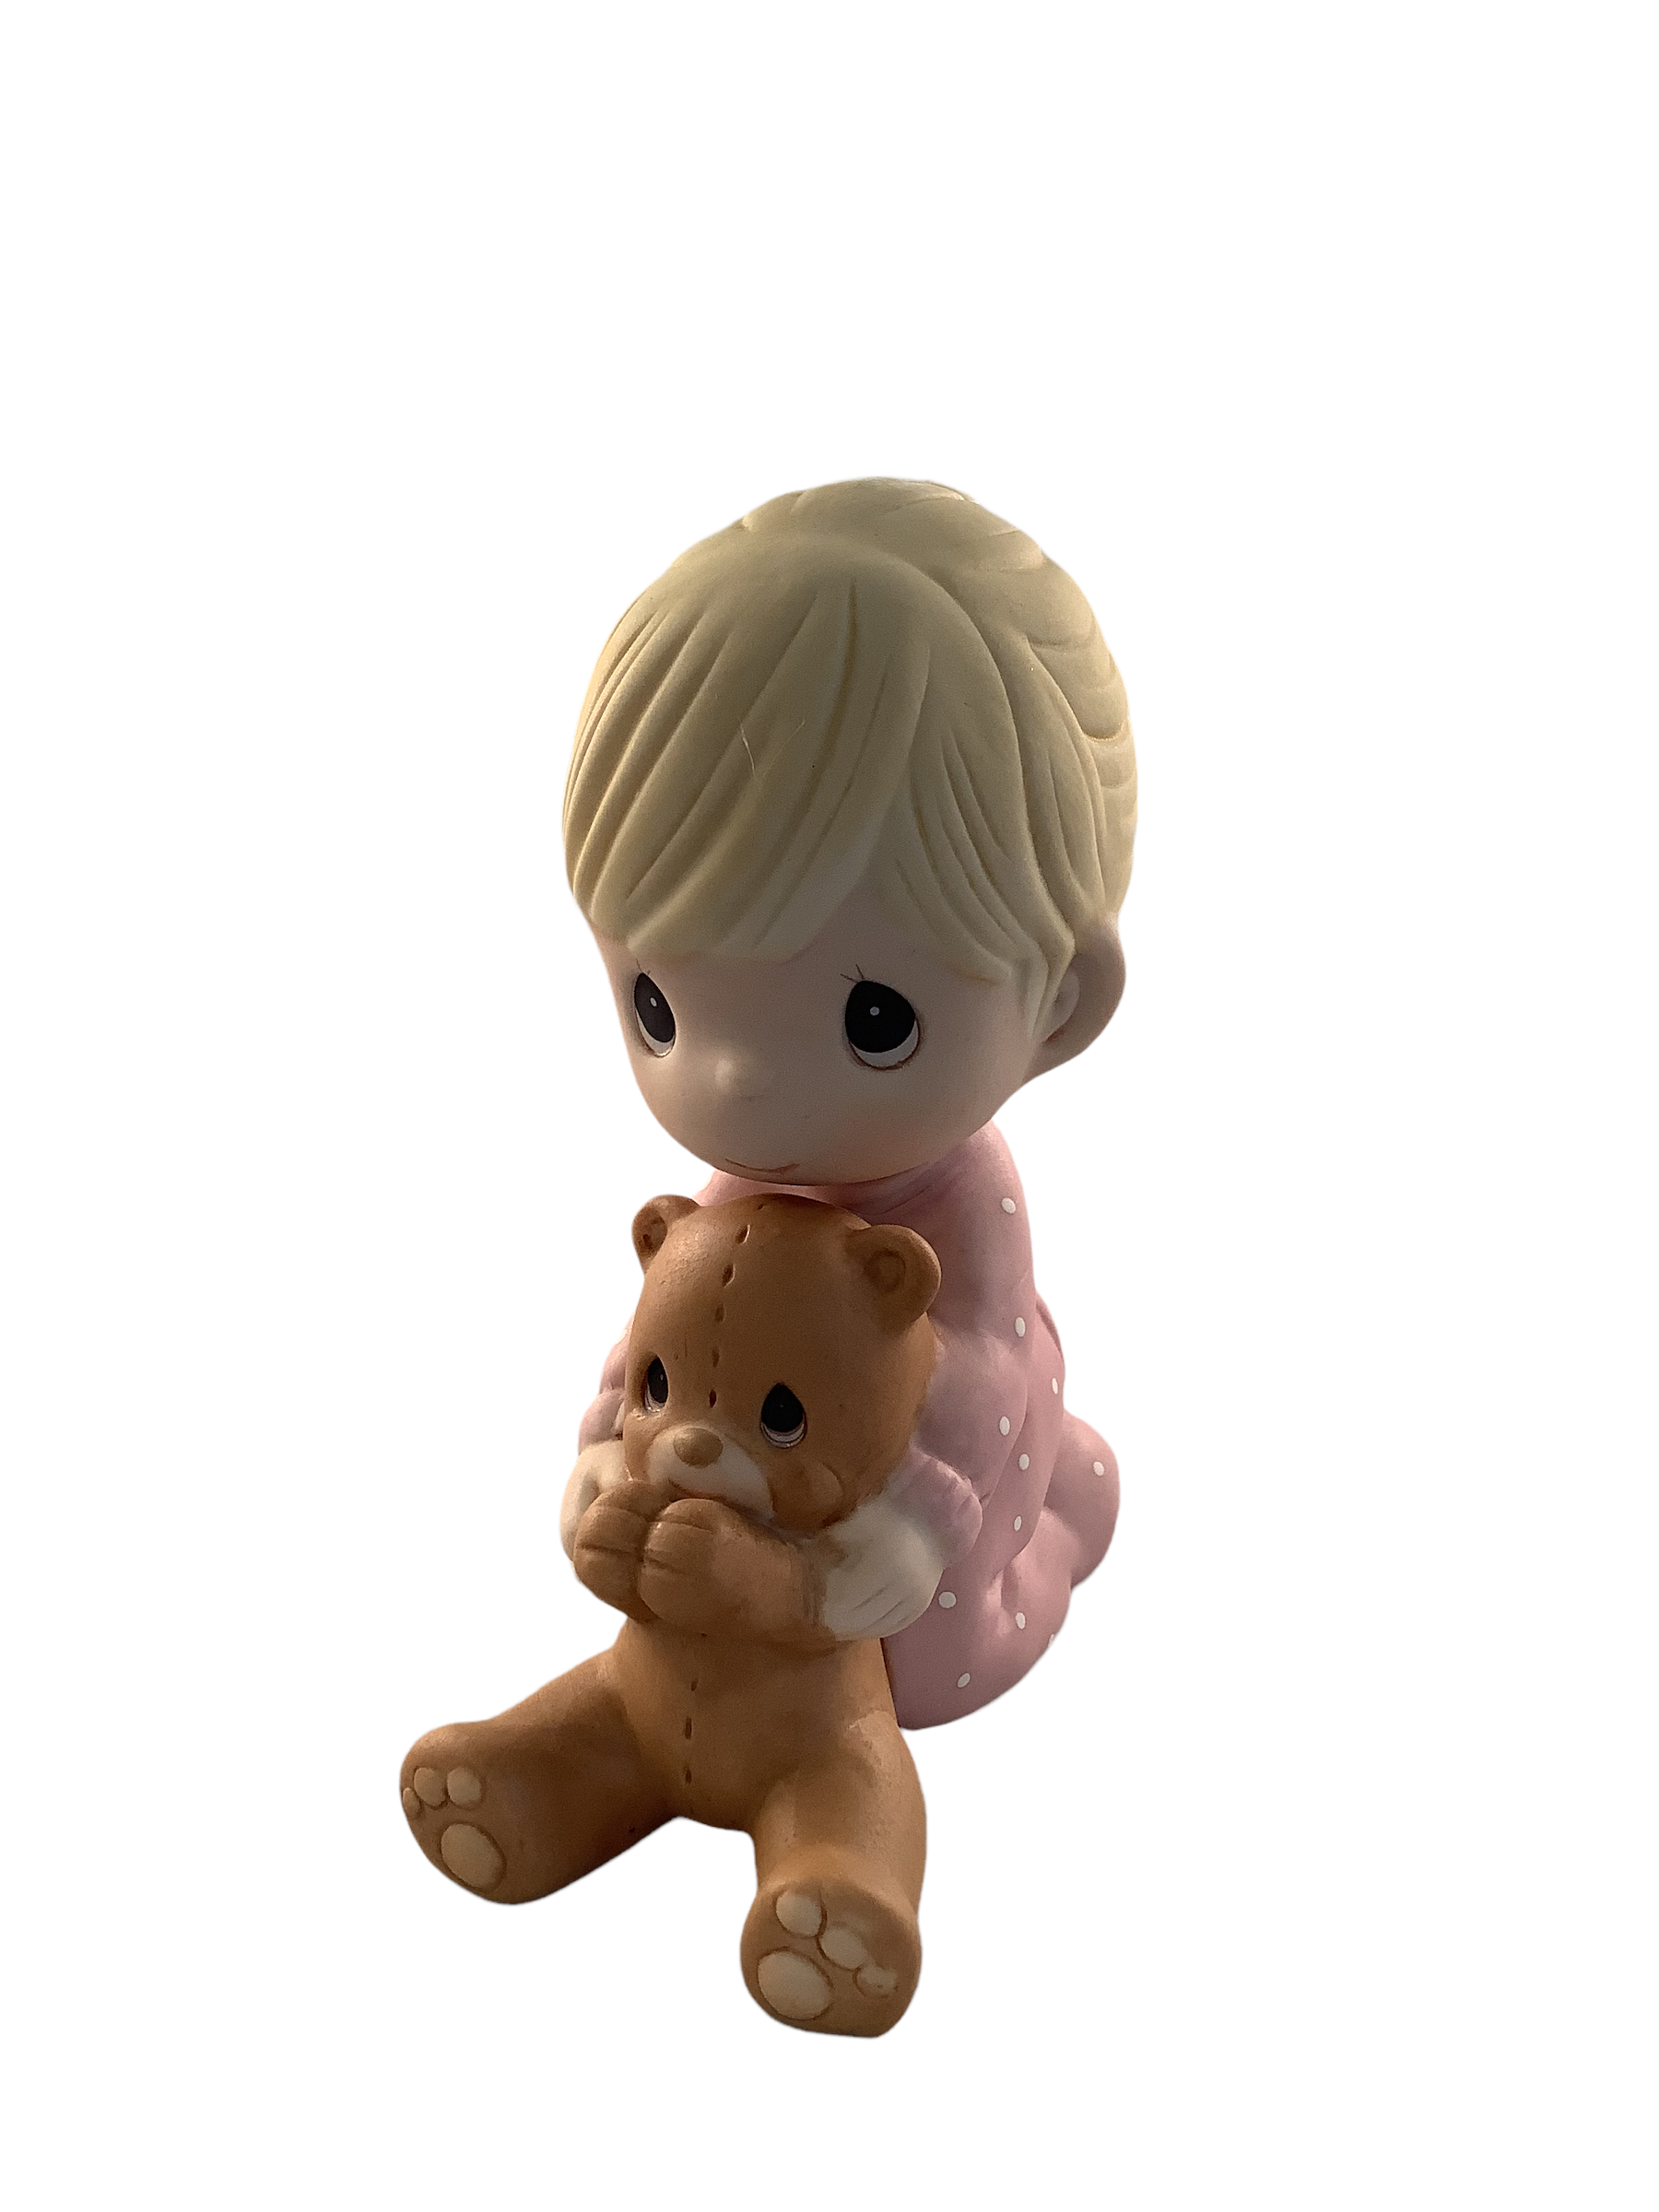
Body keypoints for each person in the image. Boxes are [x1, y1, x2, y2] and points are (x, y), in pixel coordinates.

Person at [561, 477, 1137, 1725]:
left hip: (929, 1487)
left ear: (1061, 1005)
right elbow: (675, 1327)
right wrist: (608, 1437)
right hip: (760, 1481)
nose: (735, 1078)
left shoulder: (964, 1199)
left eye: (875, 1022)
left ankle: (1064, 1527)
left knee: (917, 1667)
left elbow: (978, 1369)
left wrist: (912, 1531)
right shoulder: (742, 1194)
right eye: (659, 1006)